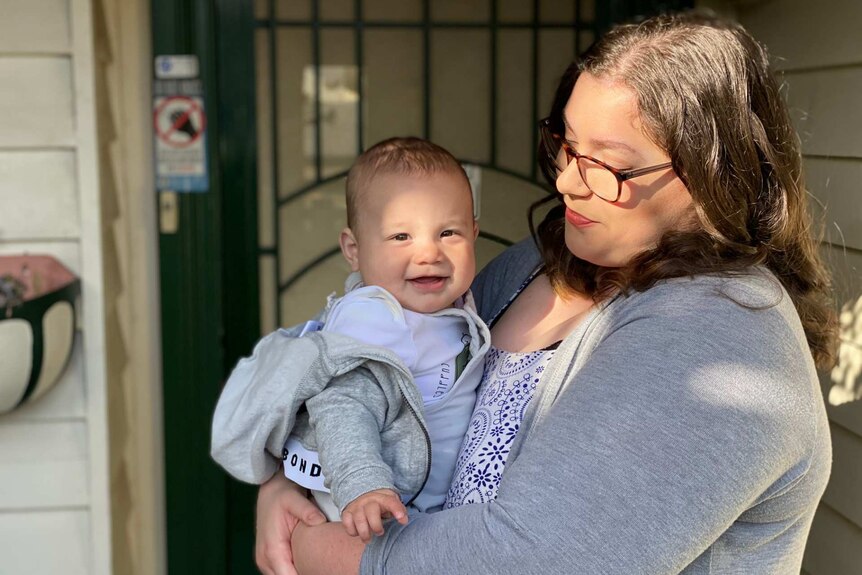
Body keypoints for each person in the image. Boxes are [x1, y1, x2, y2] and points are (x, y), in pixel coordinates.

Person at [254, 10, 839, 575]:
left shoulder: (723, 336)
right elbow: (380, 378)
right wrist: (295, 483)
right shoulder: (534, 264)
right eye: (568, 144)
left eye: (607, 164)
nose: (565, 180)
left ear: (711, 174)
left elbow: (534, 560)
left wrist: (313, 549)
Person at [211, 137, 490, 541]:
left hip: (425, 509)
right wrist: (363, 483)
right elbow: (343, 403)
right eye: (400, 237)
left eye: (448, 232)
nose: (429, 253)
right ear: (354, 250)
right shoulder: (373, 318)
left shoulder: (457, 307)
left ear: (474, 234)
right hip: (373, 508)